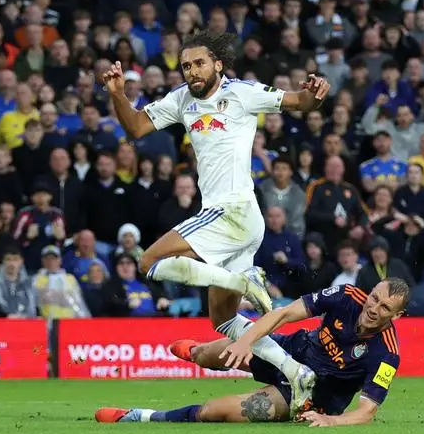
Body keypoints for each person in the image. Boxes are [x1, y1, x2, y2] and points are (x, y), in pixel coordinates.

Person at [101, 30, 330, 412]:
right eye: (186, 65)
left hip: (231, 211)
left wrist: (315, 91)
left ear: (218, 65)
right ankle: (294, 371)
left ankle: (242, 281)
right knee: (222, 320)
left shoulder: (243, 92)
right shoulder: (181, 99)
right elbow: (137, 128)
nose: (192, 71)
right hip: (238, 221)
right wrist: (117, 95)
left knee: (148, 262)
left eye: (199, 63)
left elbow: (300, 102)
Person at [97, 280, 407, 425]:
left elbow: (367, 411)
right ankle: (196, 352)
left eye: (384, 308)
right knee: (210, 355)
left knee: (213, 412)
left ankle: (141, 417)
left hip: (309, 396)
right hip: (289, 351)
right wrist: (246, 342)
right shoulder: (346, 296)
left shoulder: (387, 354)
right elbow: (283, 314)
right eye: (374, 298)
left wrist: (330, 422)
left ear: (397, 316)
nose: (373, 308)